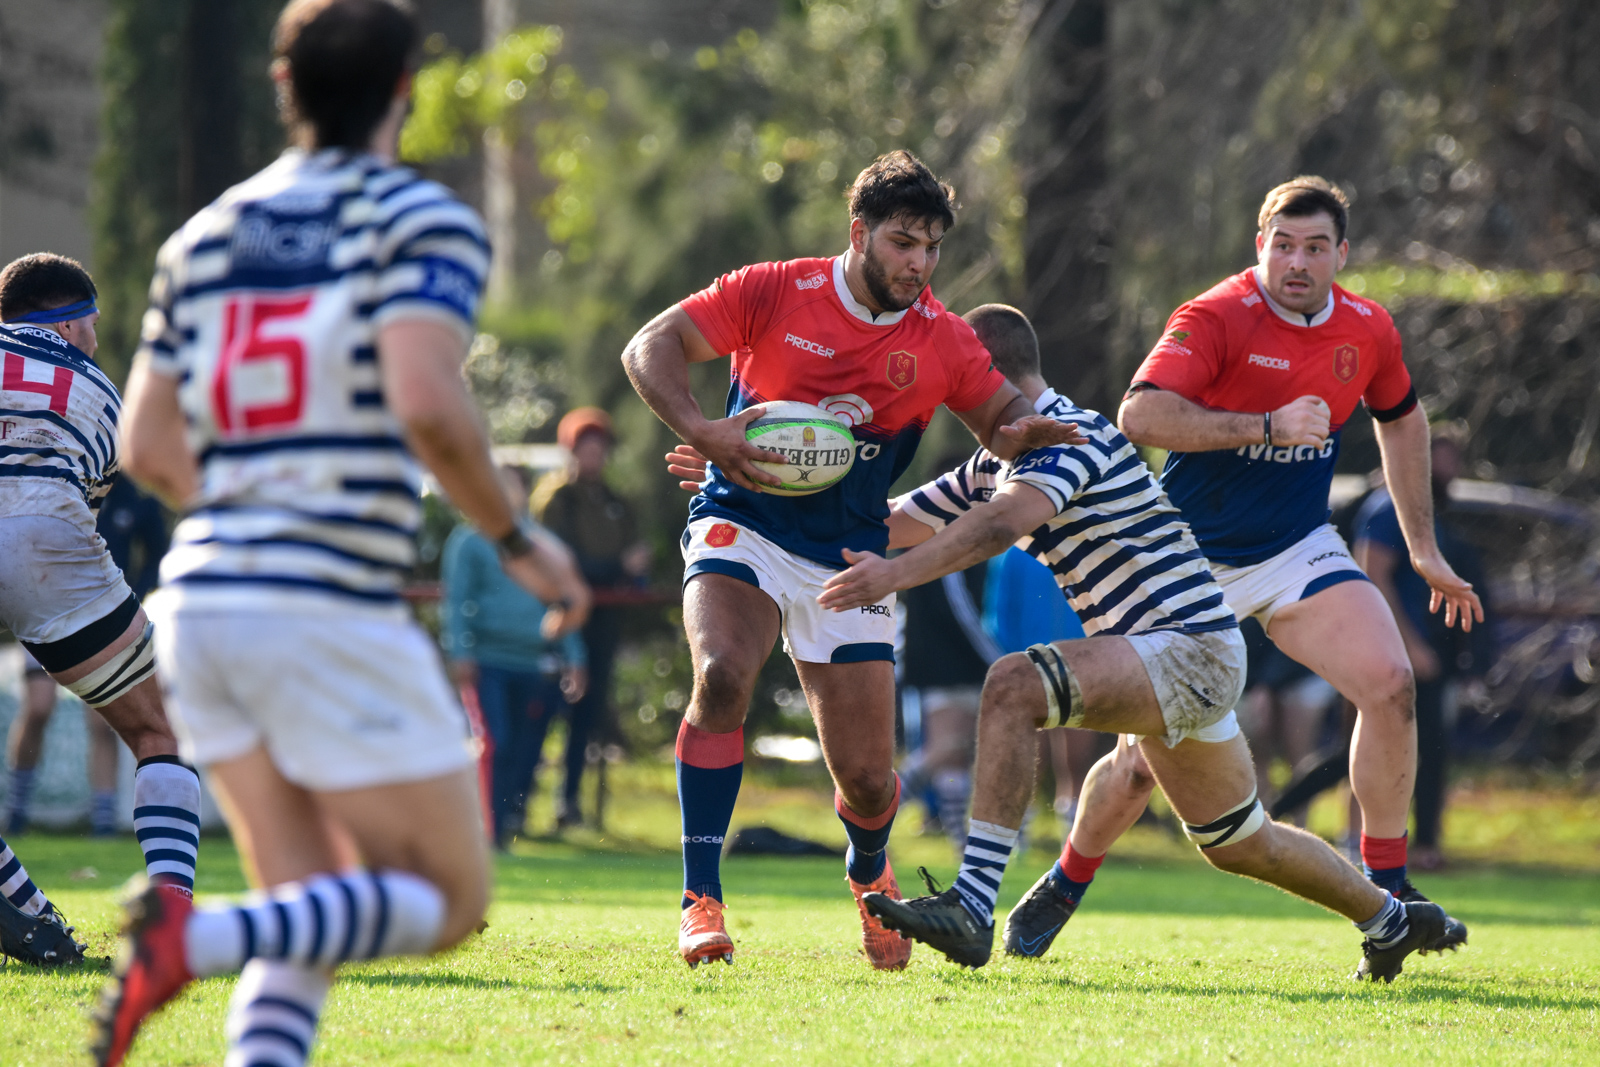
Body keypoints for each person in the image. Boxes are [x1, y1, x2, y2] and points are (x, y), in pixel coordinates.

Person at [92, 2, 589, 1064]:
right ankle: (193, 936)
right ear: (405, 87)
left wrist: (252, 507)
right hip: (318, 606)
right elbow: (428, 403)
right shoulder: (418, 217)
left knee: (308, 906)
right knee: (449, 896)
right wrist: (518, 541)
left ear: (285, 87)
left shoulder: (204, 235)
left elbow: (146, 443)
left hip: (200, 605)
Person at [815, 303, 1450, 981]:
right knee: (1241, 841)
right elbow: (889, 522)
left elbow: (999, 527)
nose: (945, 397)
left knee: (1013, 683)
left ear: (986, 373)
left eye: (955, 380)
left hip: (1188, 647)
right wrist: (771, 493)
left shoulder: (1070, 435)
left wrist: (894, 576)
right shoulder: (992, 464)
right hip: (1180, 655)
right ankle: (1390, 920)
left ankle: (973, 904)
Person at [997, 176, 1481, 960]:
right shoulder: (1215, 315)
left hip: (1296, 547)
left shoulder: (1367, 328)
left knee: (1391, 683)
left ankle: (1389, 893)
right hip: (1187, 562)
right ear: (1261, 246)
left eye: (1315, 248)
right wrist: (1264, 424)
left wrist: (1423, 549)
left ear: (1341, 255)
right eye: (1283, 245)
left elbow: (1403, 420)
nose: (1297, 262)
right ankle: (1066, 878)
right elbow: (1140, 413)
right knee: (1137, 766)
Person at [626, 148, 1081, 969]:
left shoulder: (941, 339)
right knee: (721, 675)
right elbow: (651, 343)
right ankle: (701, 898)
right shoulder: (774, 290)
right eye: (904, 242)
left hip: (849, 557)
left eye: (932, 247)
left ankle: (870, 871)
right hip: (744, 521)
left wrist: (1027, 432)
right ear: (859, 231)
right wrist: (703, 431)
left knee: (869, 780)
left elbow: (1002, 418)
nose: (920, 263)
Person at [0, 253, 206, 968]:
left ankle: (25, 906)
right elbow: (89, 498)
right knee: (159, 729)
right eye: (90, 321)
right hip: (46, 542)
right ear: (69, 320)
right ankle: (170, 917)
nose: (94, 335)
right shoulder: (97, 387)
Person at [1354, 424, 1491, 870]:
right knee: (1380, 749)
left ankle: (1424, 845)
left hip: (1427, 653)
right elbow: (1373, 575)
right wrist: (1410, 646)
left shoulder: (1426, 511)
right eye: (1441, 459)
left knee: (1425, 750)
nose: (1450, 470)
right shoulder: (1389, 507)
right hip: (1396, 654)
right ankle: (1387, 847)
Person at [4, 473, 171, 838]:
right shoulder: (62, 479)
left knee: (103, 721)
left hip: (102, 619)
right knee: (38, 708)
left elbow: (158, 555)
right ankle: (16, 810)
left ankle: (103, 820)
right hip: (43, 609)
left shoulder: (137, 496)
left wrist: (132, 600)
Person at [442, 464, 588, 849]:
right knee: (494, 742)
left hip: (534, 662)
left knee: (525, 750)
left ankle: (507, 824)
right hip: (487, 661)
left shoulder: (543, 545)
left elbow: (566, 601)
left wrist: (575, 656)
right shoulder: (469, 541)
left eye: (513, 485)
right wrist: (460, 652)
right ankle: (486, 831)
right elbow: (456, 602)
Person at [536, 406, 650, 830]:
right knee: (545, 706)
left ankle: (569, 803)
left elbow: (634, 556)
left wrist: (633, 568)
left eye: (600, 448)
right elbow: (559, 561)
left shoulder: (617, 502)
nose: (594, 456)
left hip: (605, 619)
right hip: (563, 616)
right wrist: (618, 566)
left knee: (589, 711)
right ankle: (517, 804)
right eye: (586, 447)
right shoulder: (555, 500)